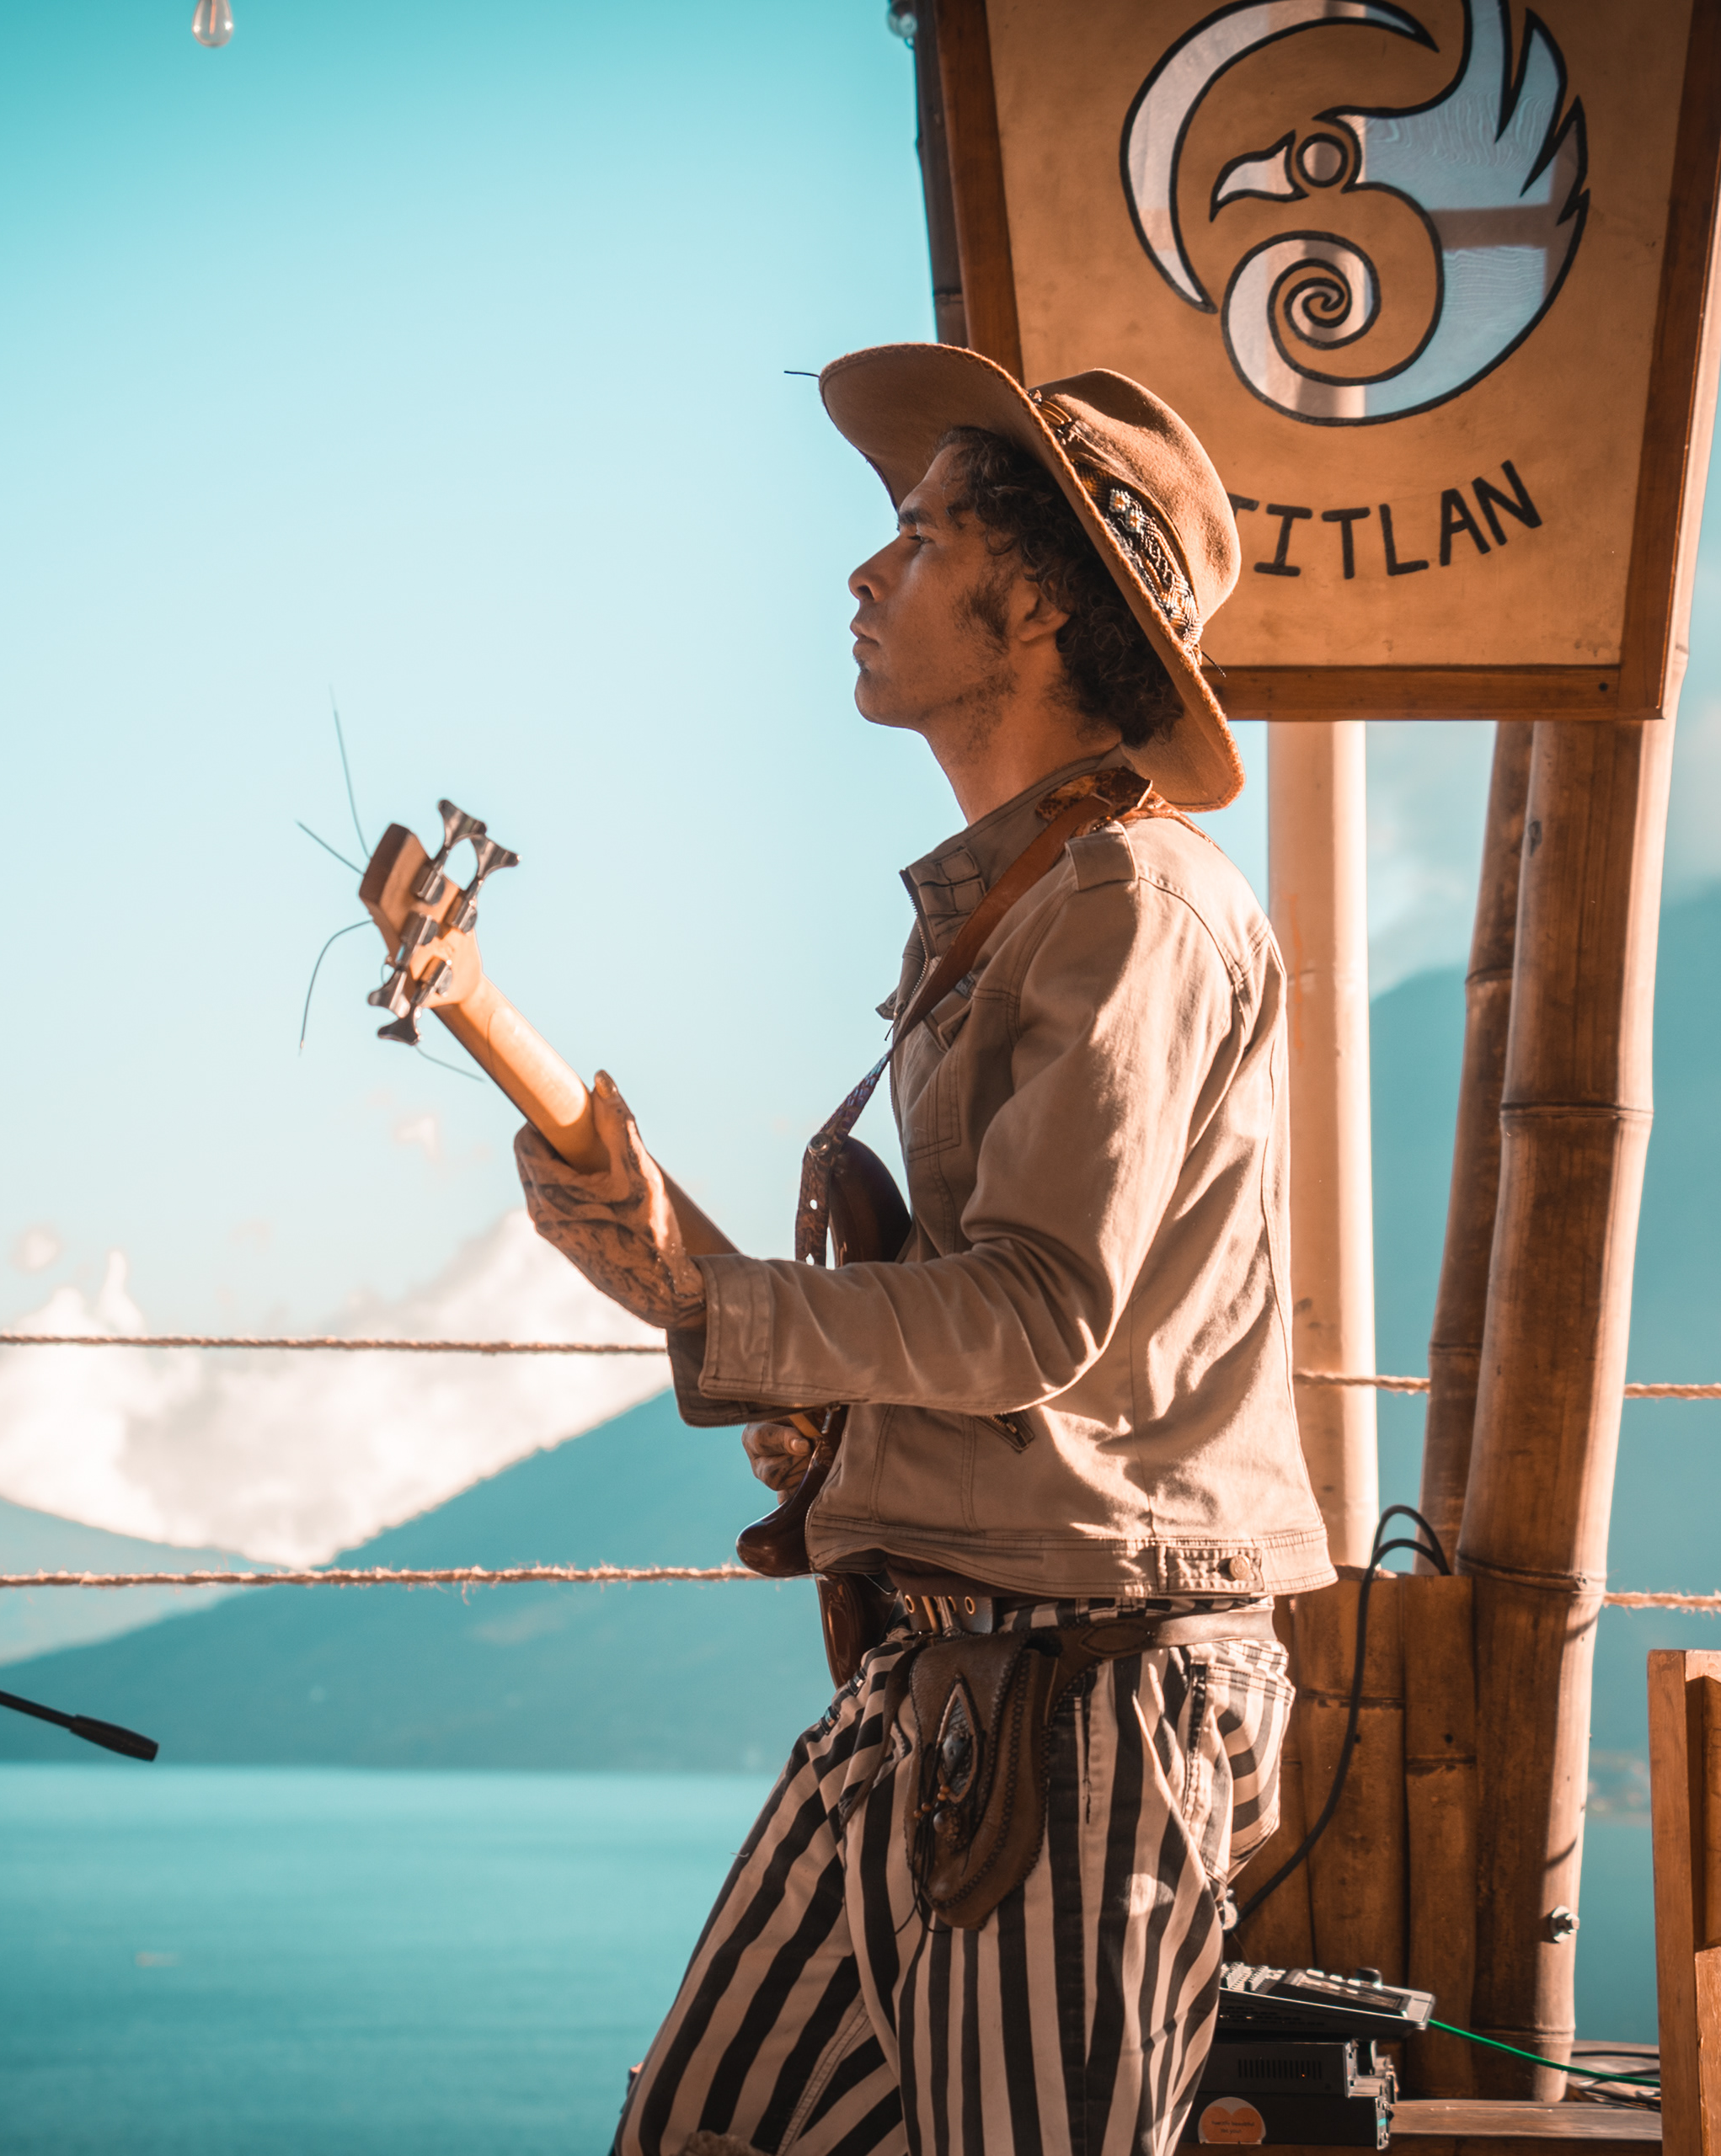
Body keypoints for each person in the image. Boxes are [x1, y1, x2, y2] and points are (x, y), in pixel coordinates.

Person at [518, 346, 1334, 2156]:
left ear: (1035, 595)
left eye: (914, 531)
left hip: (1091, 1696)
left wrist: (718, 1301)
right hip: (948, 1680)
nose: (862, 576)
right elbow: (985, 1343)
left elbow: (1040, 1312)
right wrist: (676, 1272)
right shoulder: (1027, 910)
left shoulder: (1134, 904)